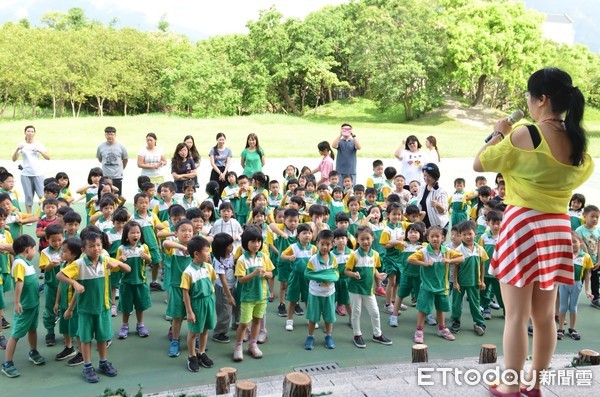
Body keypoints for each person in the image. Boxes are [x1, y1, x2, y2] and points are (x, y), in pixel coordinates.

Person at [474, 67, 593, 396]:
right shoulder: (576, 140)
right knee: (544, 316)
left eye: (529, 96)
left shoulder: (525, 134)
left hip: (523, 225)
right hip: (555, 228)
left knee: (515, 316)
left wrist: (499, 132)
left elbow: (480, 163)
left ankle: (510, 386)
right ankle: (534, 384)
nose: (527, 102)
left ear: (542, 99)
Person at [57, 231, 131, 383]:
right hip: (85, 310)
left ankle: (103, 362)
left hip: (103, 308)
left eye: (98, 245)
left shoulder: (105, 261)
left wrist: (118, 263)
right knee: (85, 339)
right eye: (91, 246)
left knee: (103, 338)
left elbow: (127, 269)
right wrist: (75, 283)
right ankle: (87, 366)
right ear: (83, 250)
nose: (96, 248)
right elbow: (60, 275)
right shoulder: (78, 264)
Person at [408, 226, 464, 343]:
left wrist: (450, 261)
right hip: (427, 286)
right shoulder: (423, 252)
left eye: (437, 236)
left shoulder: (447, 252)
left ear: (443, 238)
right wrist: (424, 263)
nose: (435, 239)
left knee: (441, 308)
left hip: (442, 286)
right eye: (432, 236)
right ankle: (419, 330)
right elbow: (410, 259)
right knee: (423, 309)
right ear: (427, 238)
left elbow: (462, 258)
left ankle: (442, 328)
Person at [2, 235, 44, 378]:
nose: (35, 252)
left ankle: (33, 351)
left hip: (33, 304)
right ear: (28, 249)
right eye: (34, 249)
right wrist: (17, 302)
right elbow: (19, 283)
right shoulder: (19, 263)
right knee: (16, 334)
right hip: (25, 306)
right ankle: (7, 363)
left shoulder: (25, 262)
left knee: (32, 329)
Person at [344, 226, 392, 348]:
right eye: (362, 239)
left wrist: (378, 275)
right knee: (356, 313)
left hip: (368, 290)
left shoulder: (375, 255)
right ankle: (357, 335)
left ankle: (377, 334)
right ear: (357, 240)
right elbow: (346, 271)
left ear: (372, 239)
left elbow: (374, 268)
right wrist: (353, 274)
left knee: (375, 312)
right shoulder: (354, 255)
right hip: (355, 290)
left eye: (368, 238)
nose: (365, 241)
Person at [233, 227, 274, 361]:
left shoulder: (264, 257)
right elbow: (241, 280)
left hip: (262, 295)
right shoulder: (241, 260)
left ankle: (253, 344)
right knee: (244, 323)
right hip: (248, 297)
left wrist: (265, 274)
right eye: (252, 241)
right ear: (245, 243)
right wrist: (254, 274)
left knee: (257, 321)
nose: (256, 244)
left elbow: (271, 273)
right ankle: (238, 347)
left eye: (258, 241)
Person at [181, 236, 217, 372]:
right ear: (196, 254)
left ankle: (201, 352)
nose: (209, 254)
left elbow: (212, 282)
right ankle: (192, 356)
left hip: (209, 301)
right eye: (206, 251)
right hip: (197, 304)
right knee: (194, 332)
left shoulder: (208, 267)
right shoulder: (188, 273)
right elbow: (185, 294)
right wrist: (189, 311)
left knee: (205, 329)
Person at [116, 221, 152, 340]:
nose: (135, 235)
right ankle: (125, 325)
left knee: (140, 305)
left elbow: (149, 261)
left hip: (140, 282)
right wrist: (120, 260)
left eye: (137, 232)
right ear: (126, 235)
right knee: (126, 306)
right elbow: (116, 266)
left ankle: (140, 324)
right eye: (132, 232)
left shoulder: (144, 247)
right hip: (126, 283)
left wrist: (147, 258)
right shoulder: (121, 249)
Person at [304, 229, 339, 350]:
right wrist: (325, 276)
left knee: (329, 317)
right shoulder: (313, 259)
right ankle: (310, 336)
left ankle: (328, 336)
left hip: (329, 293)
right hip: (315, 293)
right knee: (313, 317)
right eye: (322, 244)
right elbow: (307, 274)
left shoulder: (333, 258)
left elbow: (335, 275)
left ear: (332, 244)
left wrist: (328, 276)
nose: (324, 247)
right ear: (317, 243)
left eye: (328, 244)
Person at [557, 233, 593, 341]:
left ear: (580, 242)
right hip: (563, 284)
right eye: (570, 242)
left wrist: (587, 290)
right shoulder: (563, 255)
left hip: (576, 284)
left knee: (573, 307)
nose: (573, 245)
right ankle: (561, 329)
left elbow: (587, 274)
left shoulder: (585, 257)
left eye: (575, 242)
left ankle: (572, 329)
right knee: (562, 307)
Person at [11, 125, 50, 214]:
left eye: (32, 131)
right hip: (25, 174)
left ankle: (45, 213)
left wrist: (40, 151)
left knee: (42, 195)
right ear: (25, 133)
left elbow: (48, 157)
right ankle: (29, 215)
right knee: (28, 196)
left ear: (34, 133)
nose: (30, 133)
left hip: (38, 173)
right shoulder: (22, 144)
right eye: (28, 131)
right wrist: (17, 149)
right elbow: (14, 159)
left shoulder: (38, 144)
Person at [96, 126, 128, 196]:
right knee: (105, 195)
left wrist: (122, 168)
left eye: (112, 134)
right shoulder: (101, 146)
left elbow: (125, 159)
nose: (110, 136)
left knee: (117, 196)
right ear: (105, 135)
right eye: (108, 134)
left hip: (117, 175)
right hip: (105, 175)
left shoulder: (121, 147)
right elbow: (100, 159)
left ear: (115, 135)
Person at [415, 163, 448, 230]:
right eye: (424, 175)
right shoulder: (422, 188)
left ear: (435, 177)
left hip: (436, 225)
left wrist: (437, 205)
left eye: (429, 176)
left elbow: (444, 211)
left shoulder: (440, 191)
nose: (426, 178)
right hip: (423, 224)